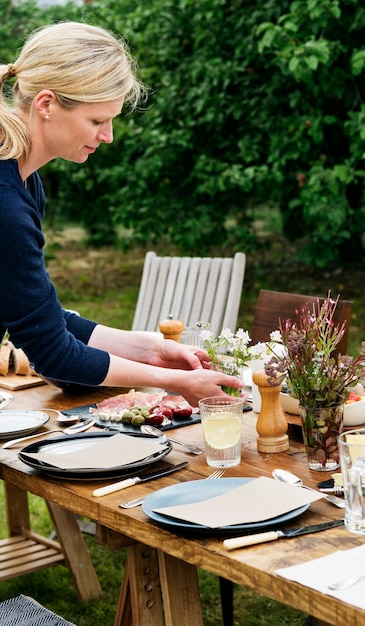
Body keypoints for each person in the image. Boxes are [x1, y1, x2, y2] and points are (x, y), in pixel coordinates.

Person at [0, 21, 242, 406]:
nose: (108, 135)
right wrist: (171, 380)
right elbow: (53, 353)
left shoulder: (24, 182)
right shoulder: (6, 204)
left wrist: (147, 349)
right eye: (97, 121)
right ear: (46, 104)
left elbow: (42, 319)